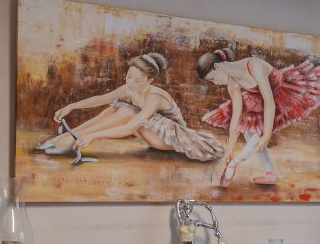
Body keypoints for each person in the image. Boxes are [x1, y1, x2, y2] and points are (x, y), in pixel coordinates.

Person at [35, 52, 222, 164]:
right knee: (113, 108)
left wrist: (94, 136)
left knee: (127, 112)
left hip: (171, 138)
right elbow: (101, 99)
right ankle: (66, 138)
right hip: (149, 131)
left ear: (149, 80)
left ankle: (68, 140)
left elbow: (131, 126)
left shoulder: (155, 97)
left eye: (137, 80)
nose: (131, 83)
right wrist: (71, 106)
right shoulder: (129, 88)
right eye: (129, 77)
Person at [196, 46, 320, 186]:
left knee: (259, 133)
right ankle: (270, 174)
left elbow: (269, 101)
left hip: (279, 94)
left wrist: (267, 134)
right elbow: (236, 119)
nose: (215, 84)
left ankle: (236, 162)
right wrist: (229, 150)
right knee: (249, 132)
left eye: (212, 79)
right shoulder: (232, 84)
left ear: (217, 66)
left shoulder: (253, 65)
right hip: (259, 100)